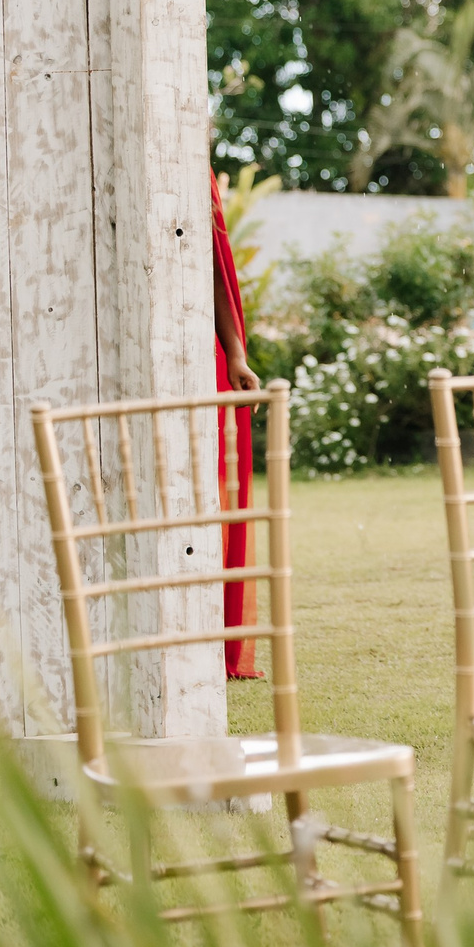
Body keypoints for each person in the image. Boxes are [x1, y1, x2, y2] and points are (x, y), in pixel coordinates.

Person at [209, 171, 263, 679]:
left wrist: (235, 353)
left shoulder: (195, 176)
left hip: (197, 349)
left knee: (213, 493)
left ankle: (213, 631)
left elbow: (216, 265)